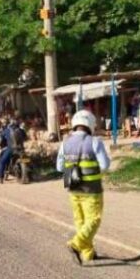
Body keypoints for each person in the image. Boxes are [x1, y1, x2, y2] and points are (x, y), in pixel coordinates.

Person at [56, 109, 111, 265]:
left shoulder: (65, 142)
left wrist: (73, 165)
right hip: (92, 190)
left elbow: (60, 167)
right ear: (90, 125)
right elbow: (105, 165)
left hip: (73, 189)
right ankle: (76, 243)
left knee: (80, 221)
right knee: (94, 219)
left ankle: (88, 254)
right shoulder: (94, 142)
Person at [0, 118, 27, 184]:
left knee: (2, 161)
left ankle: (0, 178)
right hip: (21, 149)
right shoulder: (21, 130)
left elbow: (1, 141)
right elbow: (26, 138)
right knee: (27, 159)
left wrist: (2, 144)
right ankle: (29, 174)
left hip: (11, 149)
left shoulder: (6, 131)